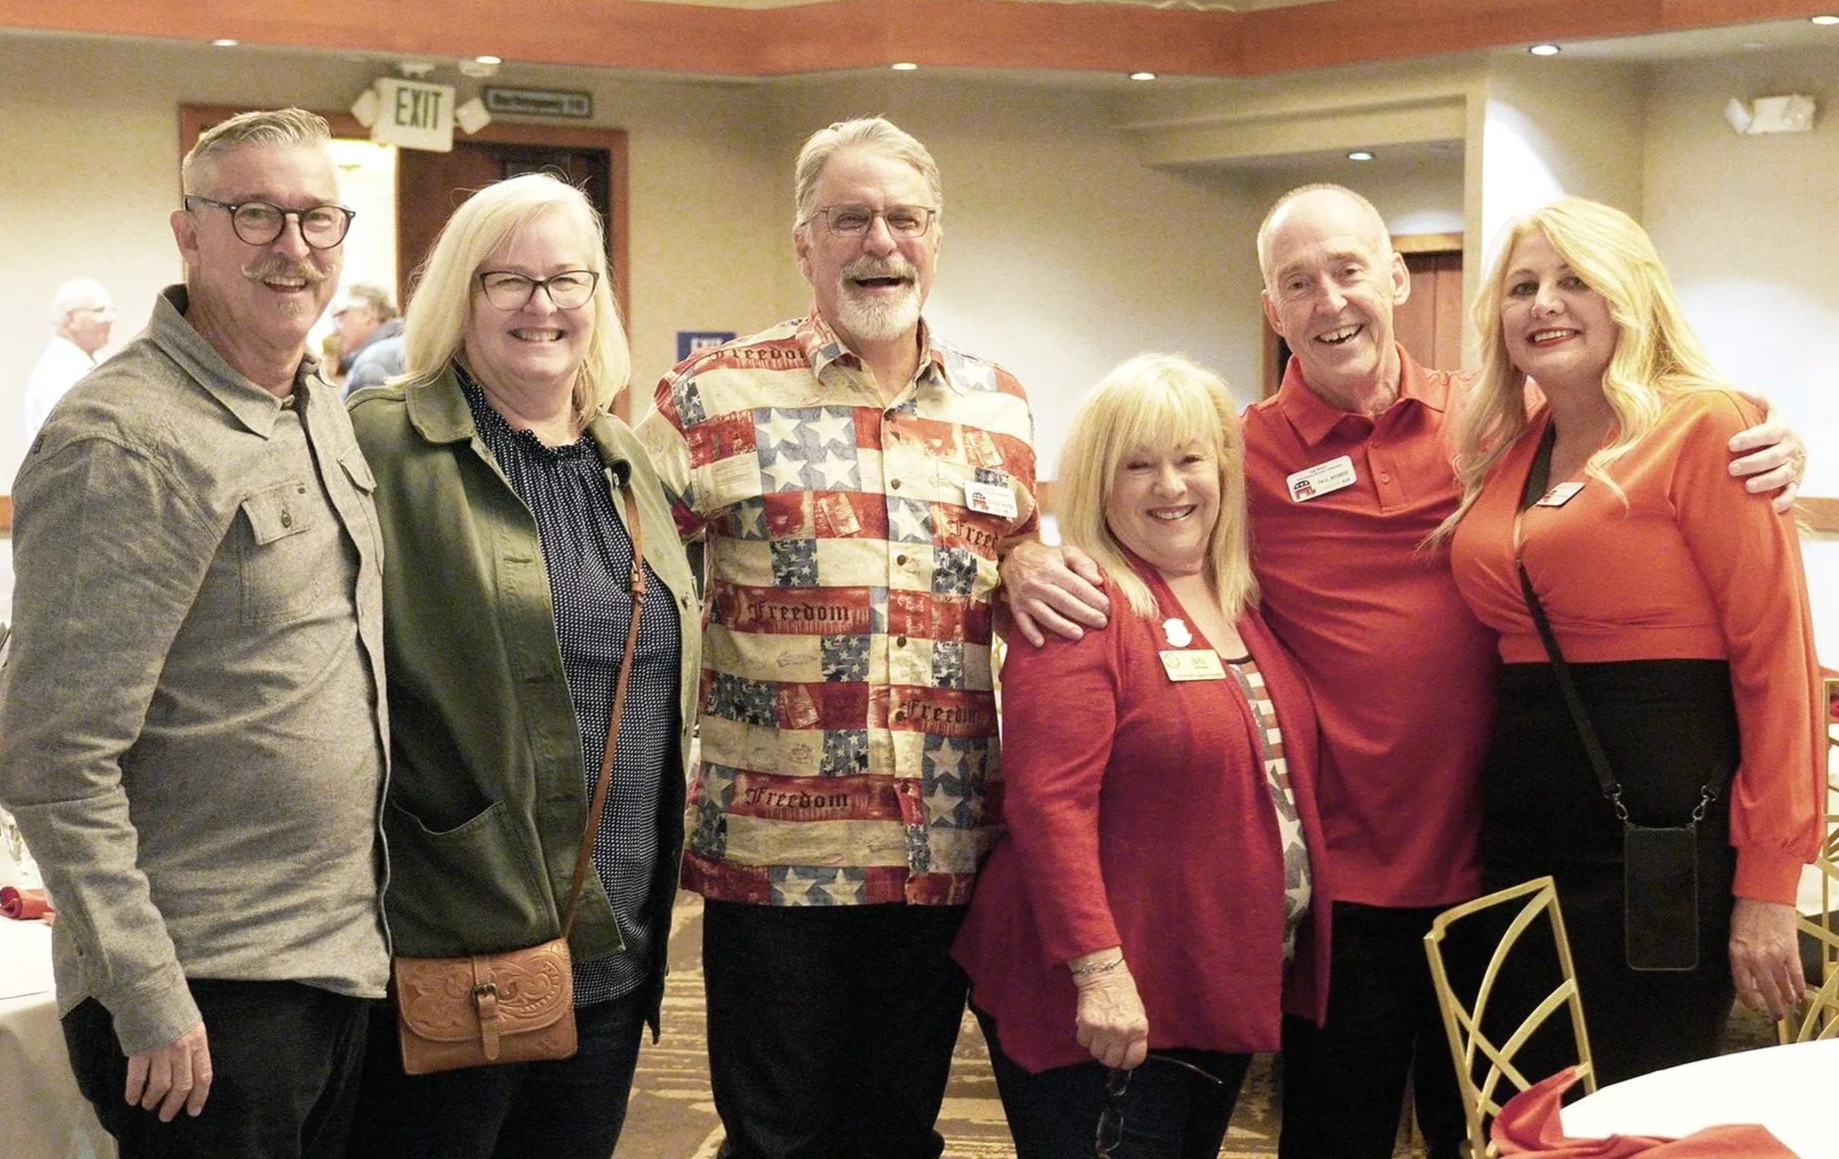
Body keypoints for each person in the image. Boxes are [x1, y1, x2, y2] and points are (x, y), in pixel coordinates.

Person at [1000, 184, 1805, 1159]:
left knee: (1500, 1131)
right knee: (1333, 1137)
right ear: (1272, 310)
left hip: (1496, 871)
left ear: (1393, 277)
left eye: (1347, 271)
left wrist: (1765, 433)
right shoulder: (1236, 458)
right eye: (1298, 283)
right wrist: (1024, 560)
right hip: (1340, 892)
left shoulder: (1496, 421)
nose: (1329, 300)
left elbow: (1646, 415)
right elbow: (1134, 501)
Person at [633, 117, 1039, 1158]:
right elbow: (622, 590)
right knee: (775, 1138)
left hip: (935, 850)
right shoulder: (708, 398)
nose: (880, 241)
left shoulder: (1001, 409)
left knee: (898, 1133)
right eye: (849, 217)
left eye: (904, 218)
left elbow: (1029, 574)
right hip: (774, 854)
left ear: (935, 237)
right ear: (804, 240)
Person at [0, 107, 389, 1158]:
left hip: (330, 960)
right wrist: (145, 992)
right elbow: (49, 758)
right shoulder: (121, 440)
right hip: (203, 997)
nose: (292, 246)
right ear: (189, 233)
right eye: (256, 214)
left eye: (316, 217)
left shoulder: (315, 401)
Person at [344, 174, 700, 1158]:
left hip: (614, 944)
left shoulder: (628, 461)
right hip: (450, 938)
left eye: (567, 279)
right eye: (510, 280)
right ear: (461, 293)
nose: (543, 305)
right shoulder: (383, 443)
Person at [1439, 196, 1822, 1085]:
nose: (1544, 303)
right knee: (1531, 1102)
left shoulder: (1706, 426)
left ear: (1630, 295)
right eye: (1522, 285)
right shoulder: (1506, 448)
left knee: (1639, 1100)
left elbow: (1776, 663)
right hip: (1523, 833)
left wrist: (1768, 884)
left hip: (1657, 839)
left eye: (1574, 280)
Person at [953, 353, 1331, 1158]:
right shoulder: (1086, 605)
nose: (1171, 487)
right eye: (1138, 465)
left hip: (1204, 979)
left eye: (1190, 459)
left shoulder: (1238, 603)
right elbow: (1048, 806)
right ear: (1097, 481)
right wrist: (1098, 972)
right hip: (1108, 1006)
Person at [23, 277, 116, 441]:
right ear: (71, 319)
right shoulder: (57, 372)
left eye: (111, 310)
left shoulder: (89, 361)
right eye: (100, 310)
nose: (111, 318)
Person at [334, 281, 406, 395]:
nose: (335, 330)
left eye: (341, 316)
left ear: (368, 313)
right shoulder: (407, 345)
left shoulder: (371, 364)